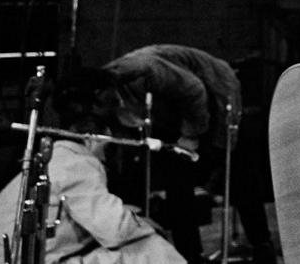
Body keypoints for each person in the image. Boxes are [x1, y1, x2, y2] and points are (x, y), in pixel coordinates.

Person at [0, 68, 185, 264]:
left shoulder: (60, 158)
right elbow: (114, 229)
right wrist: (150, 226)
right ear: (99, 136)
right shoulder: (75, 164)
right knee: (151, 250)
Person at [101, 44, 275, 264]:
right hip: (177, 108)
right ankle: (190, 255)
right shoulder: (106, 87)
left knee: (236, 166)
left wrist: (191, 136)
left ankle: (261, 244)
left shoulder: (143, 70)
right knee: (177, 182)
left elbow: (194, 89)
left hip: (215, 89)